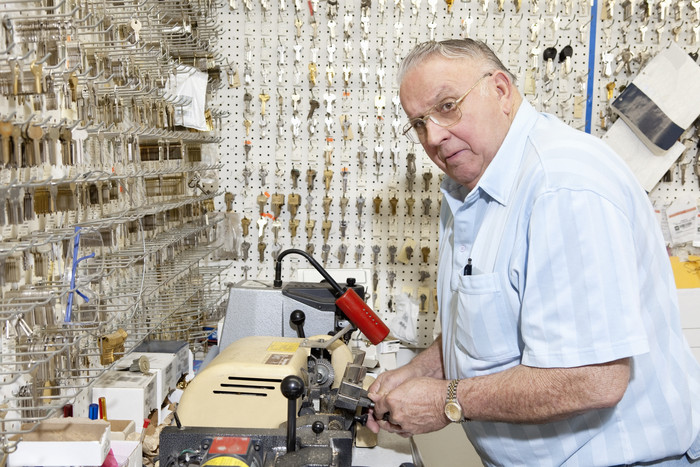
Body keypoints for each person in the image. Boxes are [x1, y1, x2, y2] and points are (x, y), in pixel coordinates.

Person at [366, 38, 700, 466]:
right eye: (418, 123)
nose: (433, 136)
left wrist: (446, 400)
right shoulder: (473, 190)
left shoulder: (561, 187)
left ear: (501, 90)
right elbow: (491, 322)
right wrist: (421, 370)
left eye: (447, 106)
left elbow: (593, 379)